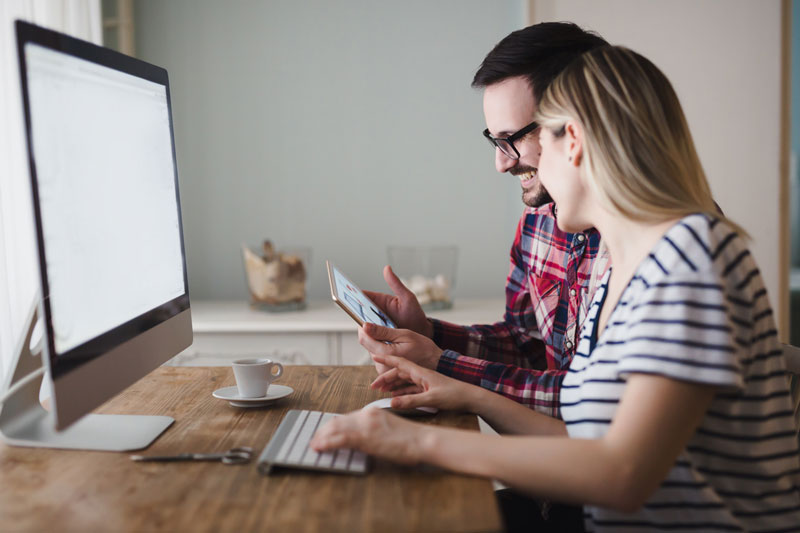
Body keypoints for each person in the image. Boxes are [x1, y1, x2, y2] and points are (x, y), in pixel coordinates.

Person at [312, 46, 800, 532]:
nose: (520, 167)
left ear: (574, 139)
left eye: (534, 140)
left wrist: (418, 442)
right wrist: (464, 393)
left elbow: (623, 475)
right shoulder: (621, 272)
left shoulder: (690, 256)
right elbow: (582, 435)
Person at [363, 22, 609, 417]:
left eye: (512, 139)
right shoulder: (539, 221)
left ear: (576, 128)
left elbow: (593, 405)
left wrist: (441, 364)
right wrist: (429, 334)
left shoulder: (651, 245)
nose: (500, 163)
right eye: (495, 141)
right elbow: (527, 343)